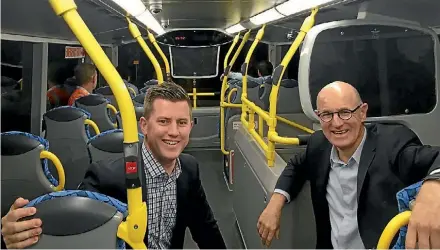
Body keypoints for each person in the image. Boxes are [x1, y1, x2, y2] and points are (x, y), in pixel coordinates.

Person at [1, 82, 227, 249]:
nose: (174, 132)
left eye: (182, 122)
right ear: (144, 126)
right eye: (163, 121)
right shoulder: (105, 176)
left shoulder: (188, 169)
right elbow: (69, 228)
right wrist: (11, 233)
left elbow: (206, 229)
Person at [257, 81, 440, 249]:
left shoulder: (392, 144)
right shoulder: (319, 145)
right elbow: (296, 165)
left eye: (345, 112)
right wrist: (275, 203)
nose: (336, 123)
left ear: (362, 112)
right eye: (327, 114)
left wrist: (433, 188)